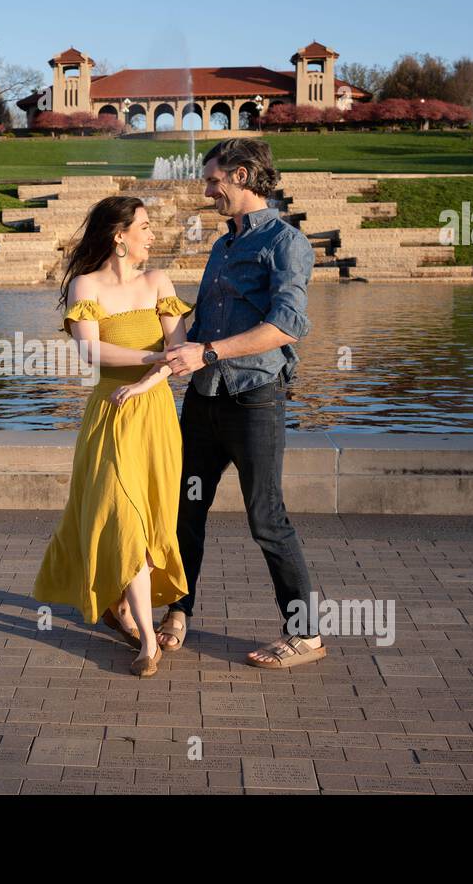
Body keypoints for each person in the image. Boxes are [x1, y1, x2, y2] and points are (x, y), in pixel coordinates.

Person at [159, 138, 327, 669]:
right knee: (187, 509)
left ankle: (306, 635)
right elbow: (203, 323)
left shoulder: (286, 242)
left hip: (254, 398)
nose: (209, 192)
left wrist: (206, 351)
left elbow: (285, 327)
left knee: (267, 517)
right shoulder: (222, 245)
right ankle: (178, 609)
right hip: (204, 398)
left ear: (244, 176)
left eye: (215, 181)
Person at [33, 195, 194, 677]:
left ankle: (123, 607)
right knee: (123, 518)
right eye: (144, 226)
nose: (152, 234)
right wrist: (152, 359)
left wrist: (151, 376)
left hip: (156, 415)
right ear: (118, 235)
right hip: (110, 411)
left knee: (148, 523)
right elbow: (90, 351)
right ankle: (148, 641)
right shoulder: (86, 284)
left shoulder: (158, 282)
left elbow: (180, 350)